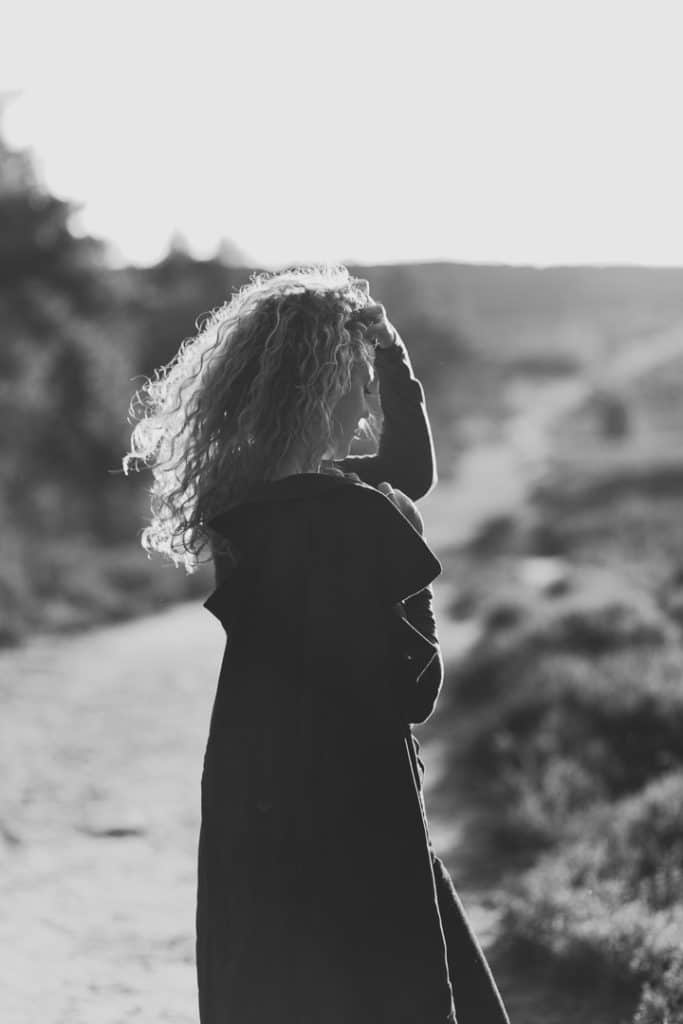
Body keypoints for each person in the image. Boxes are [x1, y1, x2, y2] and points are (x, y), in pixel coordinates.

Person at [124, 265, 510, 1023]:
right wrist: (417, 582)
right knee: (379, 987)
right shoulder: (358, 515)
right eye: (358, 379)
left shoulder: (245, 501)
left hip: (254, 778)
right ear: (326, 390)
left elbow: (406, 473)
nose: (368, 399)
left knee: (271, 979)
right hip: (356, 797)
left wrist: (385, 354)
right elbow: (414, 691)